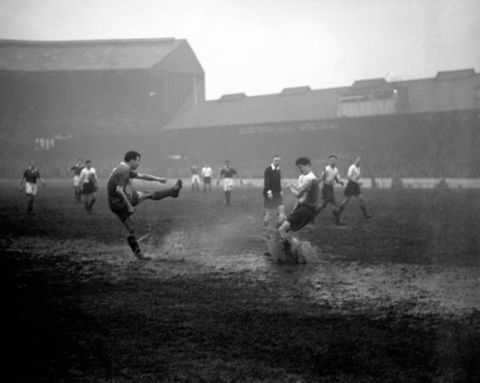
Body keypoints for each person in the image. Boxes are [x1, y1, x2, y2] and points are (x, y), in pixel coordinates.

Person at [107, 150, 183, 260]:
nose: (138, 163)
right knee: (148, 193)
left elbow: (142, 176)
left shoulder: (122, 168)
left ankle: (139, 256)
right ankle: (172, 192)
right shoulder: (124, 171)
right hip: (121, 202)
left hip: (113, 204)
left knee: (131, 228)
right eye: (137, 161)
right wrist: (129, 206)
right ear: (131, 160)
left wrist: (158, 179)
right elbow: (119, 190)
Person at [277, 157, 319, 261]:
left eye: (301, 167)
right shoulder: (302, 177)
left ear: (308, 165)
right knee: (285, 229)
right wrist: (294, 210)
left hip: (306, 210)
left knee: (281, 229)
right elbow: (300, 197)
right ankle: (291, 251)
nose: (299, 170)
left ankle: (296, 251)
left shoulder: (310, 178)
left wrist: (290, 186)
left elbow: (298, 194)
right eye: (298, 168)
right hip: (302, 209)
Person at [337, 156, 373, 221]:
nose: (359, 162)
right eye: (357, 161)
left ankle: (366, 215)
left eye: (359, 161)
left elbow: (356, 177)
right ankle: (338, 213)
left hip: (355, 186)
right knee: (346, 201)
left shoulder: (358, 168)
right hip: (351, 185)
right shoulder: (352, 167)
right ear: (355, 161)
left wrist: (359, 181)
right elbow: (348, 177)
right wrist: (357, 181)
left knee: (361, 199)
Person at [314, 154, 344, 225]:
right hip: (326, 188)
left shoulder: (336, 169)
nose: (332, 161)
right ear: (329, 161)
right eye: (331, 160)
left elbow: (336, 178)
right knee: (334, 204)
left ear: (336, 161)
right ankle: (337, 221)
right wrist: (319, 185)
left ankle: (311, 217)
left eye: (334, 160)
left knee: (323, 205)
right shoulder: (326, 169)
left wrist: (340, 182)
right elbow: (322, 178)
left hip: (330, 188)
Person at [263, 155, 285, 227]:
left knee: (281, 209)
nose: (277, 162)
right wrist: (269, 192)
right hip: (269, 193)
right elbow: (267, 182)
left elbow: (278, 182)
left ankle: (278, 227)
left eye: (278, 161)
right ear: (272, 161)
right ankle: (265, 227)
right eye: (276, 160)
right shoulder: (268, 170)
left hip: (277, 193)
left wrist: (281, 191)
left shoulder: (278, 170)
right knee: (268, 212)